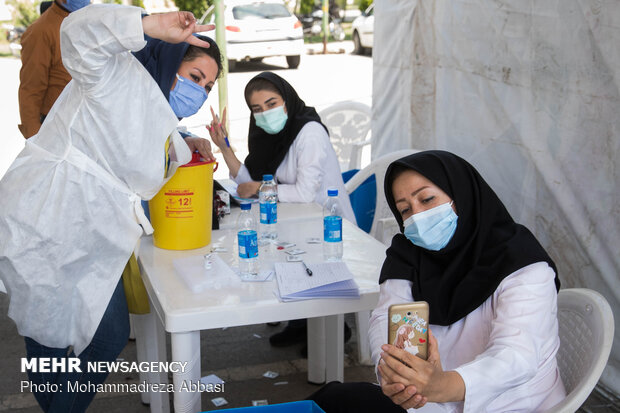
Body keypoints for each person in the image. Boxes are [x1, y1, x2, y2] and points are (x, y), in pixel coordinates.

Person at [0, 5, 218, 412]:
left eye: (207, 86)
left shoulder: (160, 115)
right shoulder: (113, 73)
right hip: (46, 220)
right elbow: (78, 36)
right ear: (170, 56)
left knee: (105, 336)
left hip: (93, 233)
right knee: (55, 339)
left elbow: (132, 136)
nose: (200, 92)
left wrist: (186, 141)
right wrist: (149, 25)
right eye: (194, 77)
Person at [309, 150, 566, 412]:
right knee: (332, 397)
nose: (417, 217)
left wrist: (441, 384)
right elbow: (388, 316)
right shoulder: (409, 255)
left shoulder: (521, 263)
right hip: (426, 399)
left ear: (462, 194)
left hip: (507, 403)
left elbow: (516, 357)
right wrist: (394, 373)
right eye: (405, 209)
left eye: (427, 199)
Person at [209, 71, 356, 348]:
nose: (265, 113)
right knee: (275, 253)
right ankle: (300, 322)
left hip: (326, 223)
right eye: (257, 109)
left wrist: (259, 189)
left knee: (291, 257)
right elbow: (250, 183)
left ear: (286, 100)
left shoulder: (309, 132)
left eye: (271, 103)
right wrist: (224, 147)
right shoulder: (269, 136)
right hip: (295, 221)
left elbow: (303, 192)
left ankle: (332, 328)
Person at [18, 0, 90, 139]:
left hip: (86, 122)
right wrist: (35, 140)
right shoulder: (41, 31)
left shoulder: (88, 21)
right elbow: (31, 91)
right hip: (57, 127)